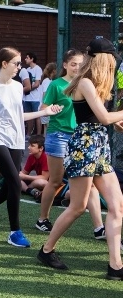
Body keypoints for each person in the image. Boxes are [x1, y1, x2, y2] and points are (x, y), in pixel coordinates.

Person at [37, 38, 123, 279]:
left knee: (117, 205)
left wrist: (117, 124)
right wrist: (114, 118)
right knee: (77, 206)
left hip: (98, 145)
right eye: (112, 59)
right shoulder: (84, 82)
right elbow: (104, 117)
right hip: (84, 146)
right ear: (103, 59)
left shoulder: (93, 84)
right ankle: (46, 250)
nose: (114, 64)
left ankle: (115, 265)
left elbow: (102, 119)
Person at [0, 47, 61, 248]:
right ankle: (14, 232)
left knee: (11, 185)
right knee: (16, 183)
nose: (19, 67)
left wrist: (46, 112)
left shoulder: (18, 87)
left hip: (16, 140)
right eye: (16, 63)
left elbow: (19, 116)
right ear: (4, 64)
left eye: (19, 63)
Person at [35, 49, 105, 237]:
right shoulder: (56, 85)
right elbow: (43, 110)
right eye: (73, 63)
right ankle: (42, 219)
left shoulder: (86, 84)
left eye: (80, 64)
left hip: (81, 138)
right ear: (65, 65)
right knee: (56, 180)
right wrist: (51, 109)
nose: (76, 67)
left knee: (90, 184)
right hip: (59, 135)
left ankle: (99, 228)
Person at [22, 52, 44, 136]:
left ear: (32, 59)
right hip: (27, 98)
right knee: (29, 116)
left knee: (37, 116)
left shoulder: (38, 69)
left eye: (27, 58)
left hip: (35, 98)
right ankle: (28, 134)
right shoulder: (27, 70)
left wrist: (28, 89)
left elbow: (37, 83)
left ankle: (38, 134)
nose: (25, 59)